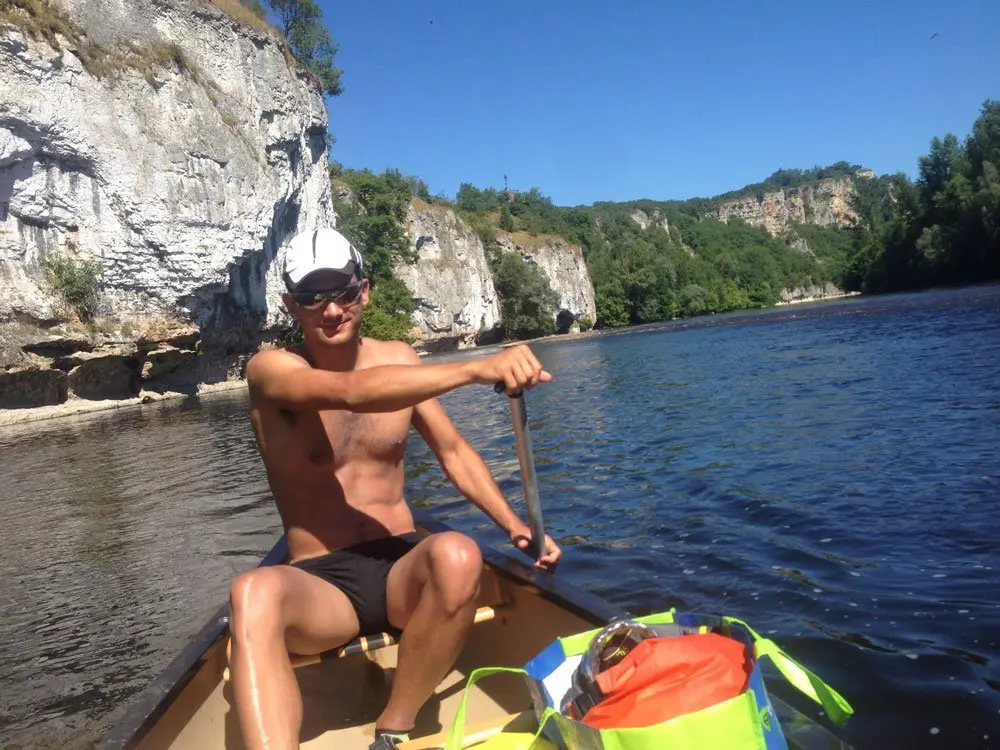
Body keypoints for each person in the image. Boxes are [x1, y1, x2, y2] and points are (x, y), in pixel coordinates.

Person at [229, 227, 563, 750]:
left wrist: (519, 527)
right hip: (322, 584)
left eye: (342, 293)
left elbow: (452, 452)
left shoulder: (402, 361)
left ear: (364, 291)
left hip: (401, 573)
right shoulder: (271, 372)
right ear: (292, 306)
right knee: (252, 591)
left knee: (458, 554)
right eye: (313, 299)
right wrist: (477, 368)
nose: (331, 311)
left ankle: (394, 727)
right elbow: (353, 392)